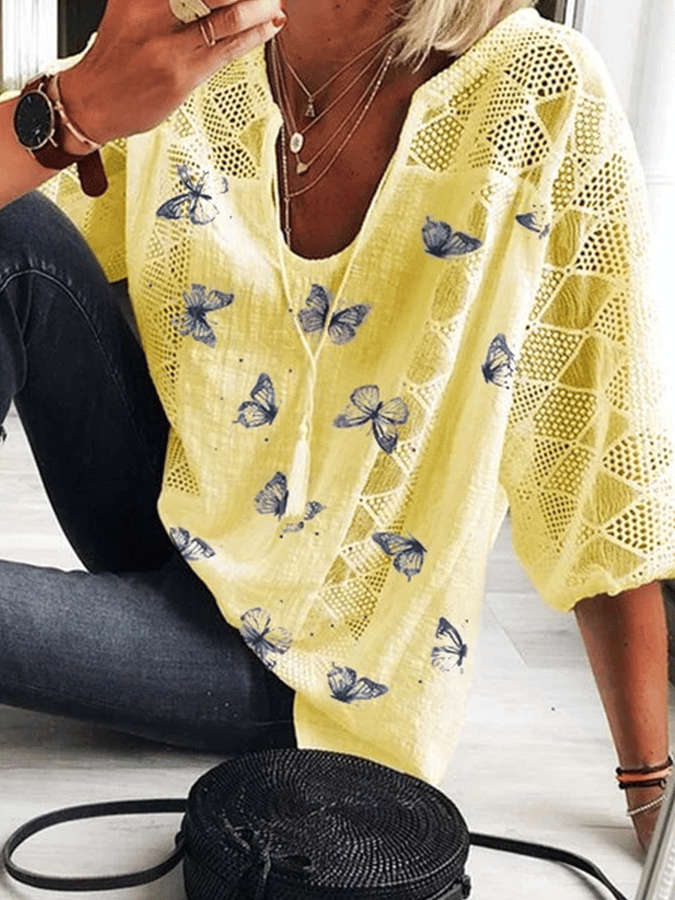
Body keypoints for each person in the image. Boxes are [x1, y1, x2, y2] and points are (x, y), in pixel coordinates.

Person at [0, 0, 673, 854]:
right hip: (170, 507)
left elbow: (600, 470)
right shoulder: (196, 35)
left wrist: (650, 785)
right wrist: (76, 107)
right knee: (12, 228)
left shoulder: (538, 91)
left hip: (309, 660)